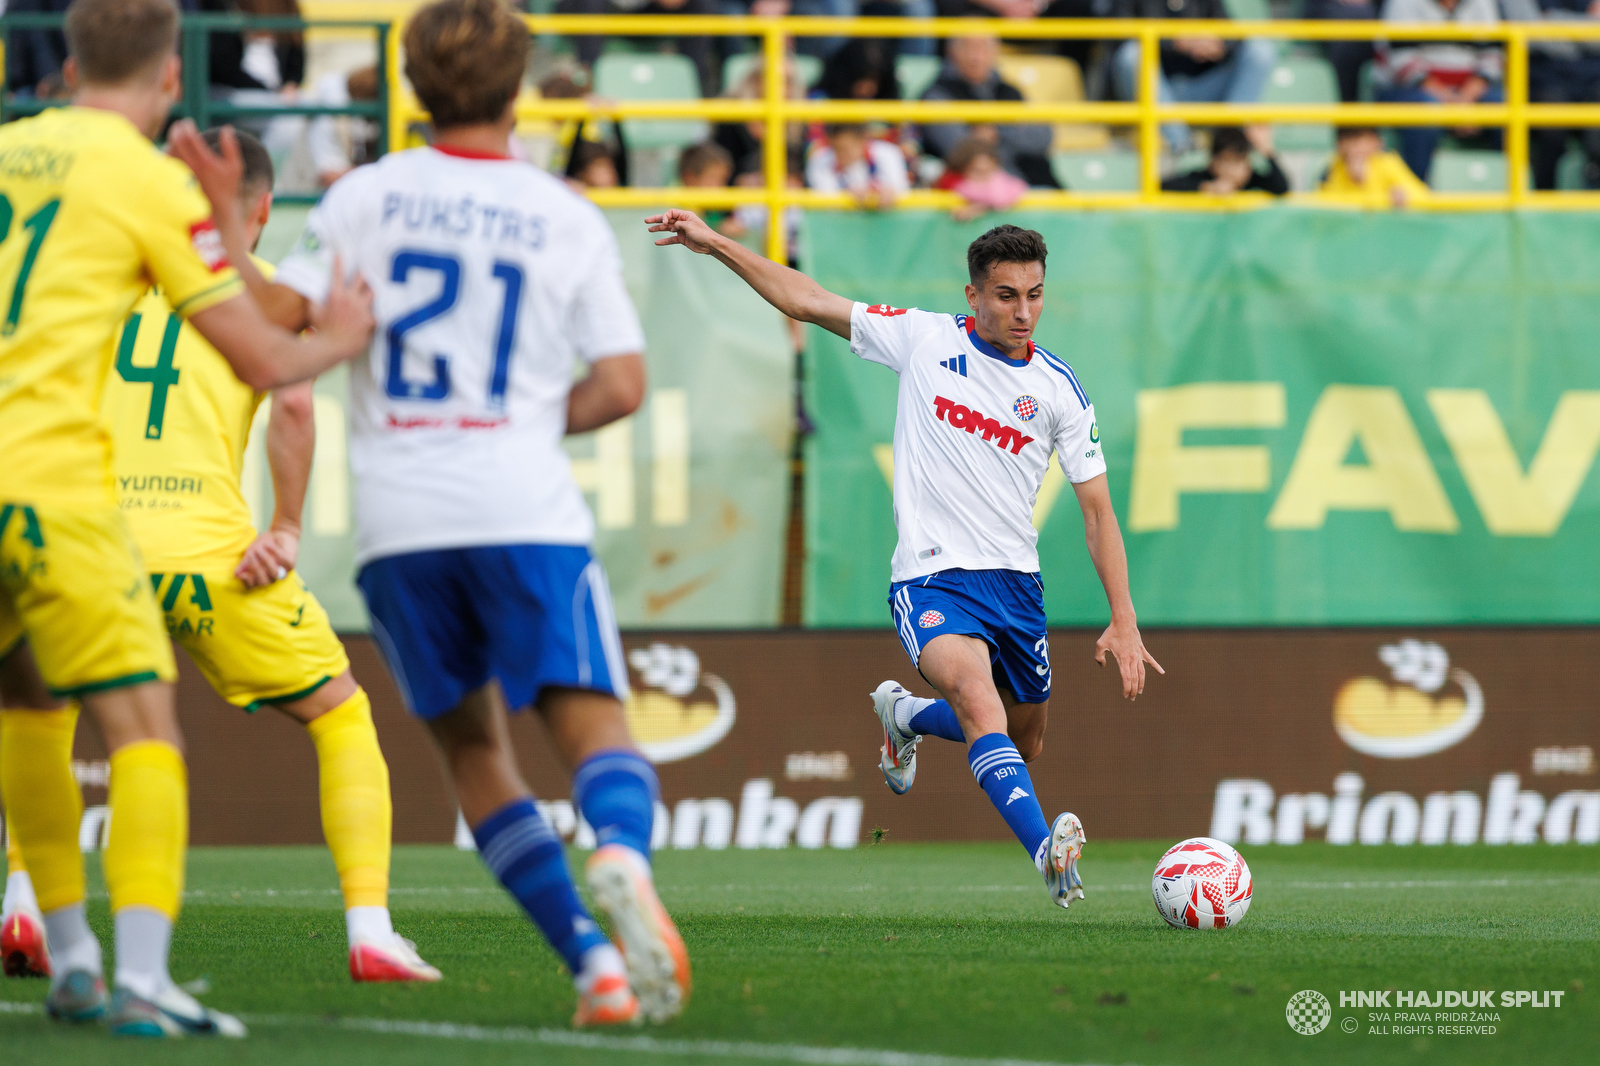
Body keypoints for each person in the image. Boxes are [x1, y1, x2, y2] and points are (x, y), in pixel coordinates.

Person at [206, 0, 690, 1027]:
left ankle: (595, 969)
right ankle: (617, 854)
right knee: (597, 728)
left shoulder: (361, 198)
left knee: (476, 758)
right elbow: (622, 384)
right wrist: (518, 419)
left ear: (412, 86)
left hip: (402, 526)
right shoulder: (561, 213)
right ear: (519, 86)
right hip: (522, 505)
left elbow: (264, 324)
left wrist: (217, 234)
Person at [0, 0, 374, 1037]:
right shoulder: (149, 183)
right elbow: (262, 360)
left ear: (67, 63)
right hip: (58, 487)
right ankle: (144, 977)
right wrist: (338, 335)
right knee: (140, 726)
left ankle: (65, 952)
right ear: (171, 80)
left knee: (28, 709)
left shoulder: (9, 152)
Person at [647, 212, 1162, 910]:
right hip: (931, 574)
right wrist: (715, 245)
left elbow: (1099, 512)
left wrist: (1123, 617)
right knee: (981, 704)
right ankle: (1044, 850)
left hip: (1015, 585)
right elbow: (807, 299)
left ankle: (908, 718)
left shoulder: (1058, 388)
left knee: (1024, 738)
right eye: (1007, 294)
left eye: (1035, 294)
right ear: (973, 294)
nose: (1023, 310)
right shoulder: (923, 337)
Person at [1112, 0, 1279, 152]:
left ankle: (1229, 143)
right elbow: (1117, 38)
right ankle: (1181, 144)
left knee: (1260, 50)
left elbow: (1232, 35)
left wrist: (1217, 43)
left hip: (1204, 87)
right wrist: (1175, 41)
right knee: (1132, 55)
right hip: (1156, 90)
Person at [1374, 0, 1504, 181]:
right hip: (1409, 90)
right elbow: (1402, 63)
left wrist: (1464, 101)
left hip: (1469, 94)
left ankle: (1506, 194)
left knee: (1507, 108)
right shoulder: (1401, 3)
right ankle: (1415, 195)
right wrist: (1454, 106)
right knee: (1426, 113)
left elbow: (1493, 58)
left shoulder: (1483, 3)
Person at [921, 35, 1059, 189]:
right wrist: (1015, 135)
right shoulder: (937, 94)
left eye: (983, 48)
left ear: (995, 52)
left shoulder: (1009, 91)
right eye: (968, 48)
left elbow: (1043, 137)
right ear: (952, 51)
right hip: (985, 194)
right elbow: (960, 150)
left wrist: (997, 132)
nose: (976, 56)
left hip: (1035, 184)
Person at [1502, 0, 1600, 190]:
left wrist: (1552, 22)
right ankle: (1543, 198)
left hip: (1593, 78)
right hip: (1543, 79)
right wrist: (1586, 28)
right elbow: (1531, 34)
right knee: (1551, 131)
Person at [1317, 125, 1432, 206]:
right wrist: (1356, 181)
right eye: (1347, 138)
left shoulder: (1387, 163)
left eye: (1359, 138)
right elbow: (1323, 205)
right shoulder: (1334, 167)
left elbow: (1423, 196)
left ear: (1377, 142)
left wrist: (1403, 197)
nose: (1353, 145)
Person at [805, 123, 911, 207]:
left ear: (863, 141)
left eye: (845, 149)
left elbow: (901, 190)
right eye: (836, 148)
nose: (839, 155)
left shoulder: (889, 153)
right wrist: (849, 196)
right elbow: (826, 200)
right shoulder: (820, 160)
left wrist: (881, 193)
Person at [1160, 126, 1289, 195]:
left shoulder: (1252, 182)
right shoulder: (1204, 178)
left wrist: (1267, 151)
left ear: (1248, 164)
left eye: (1238, 162)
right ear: (1212, 162)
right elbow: (1163, 185)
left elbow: (1282, 187)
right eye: (1227, 161)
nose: (1232, 170)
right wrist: (1206, 187)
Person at [944, 136, 1029, 220]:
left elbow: (1000, 199)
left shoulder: (1003, 182)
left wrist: (978, 207)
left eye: (987, 170)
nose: (983, 176)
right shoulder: (953, 185)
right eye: (977, 171)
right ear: (962, 169)